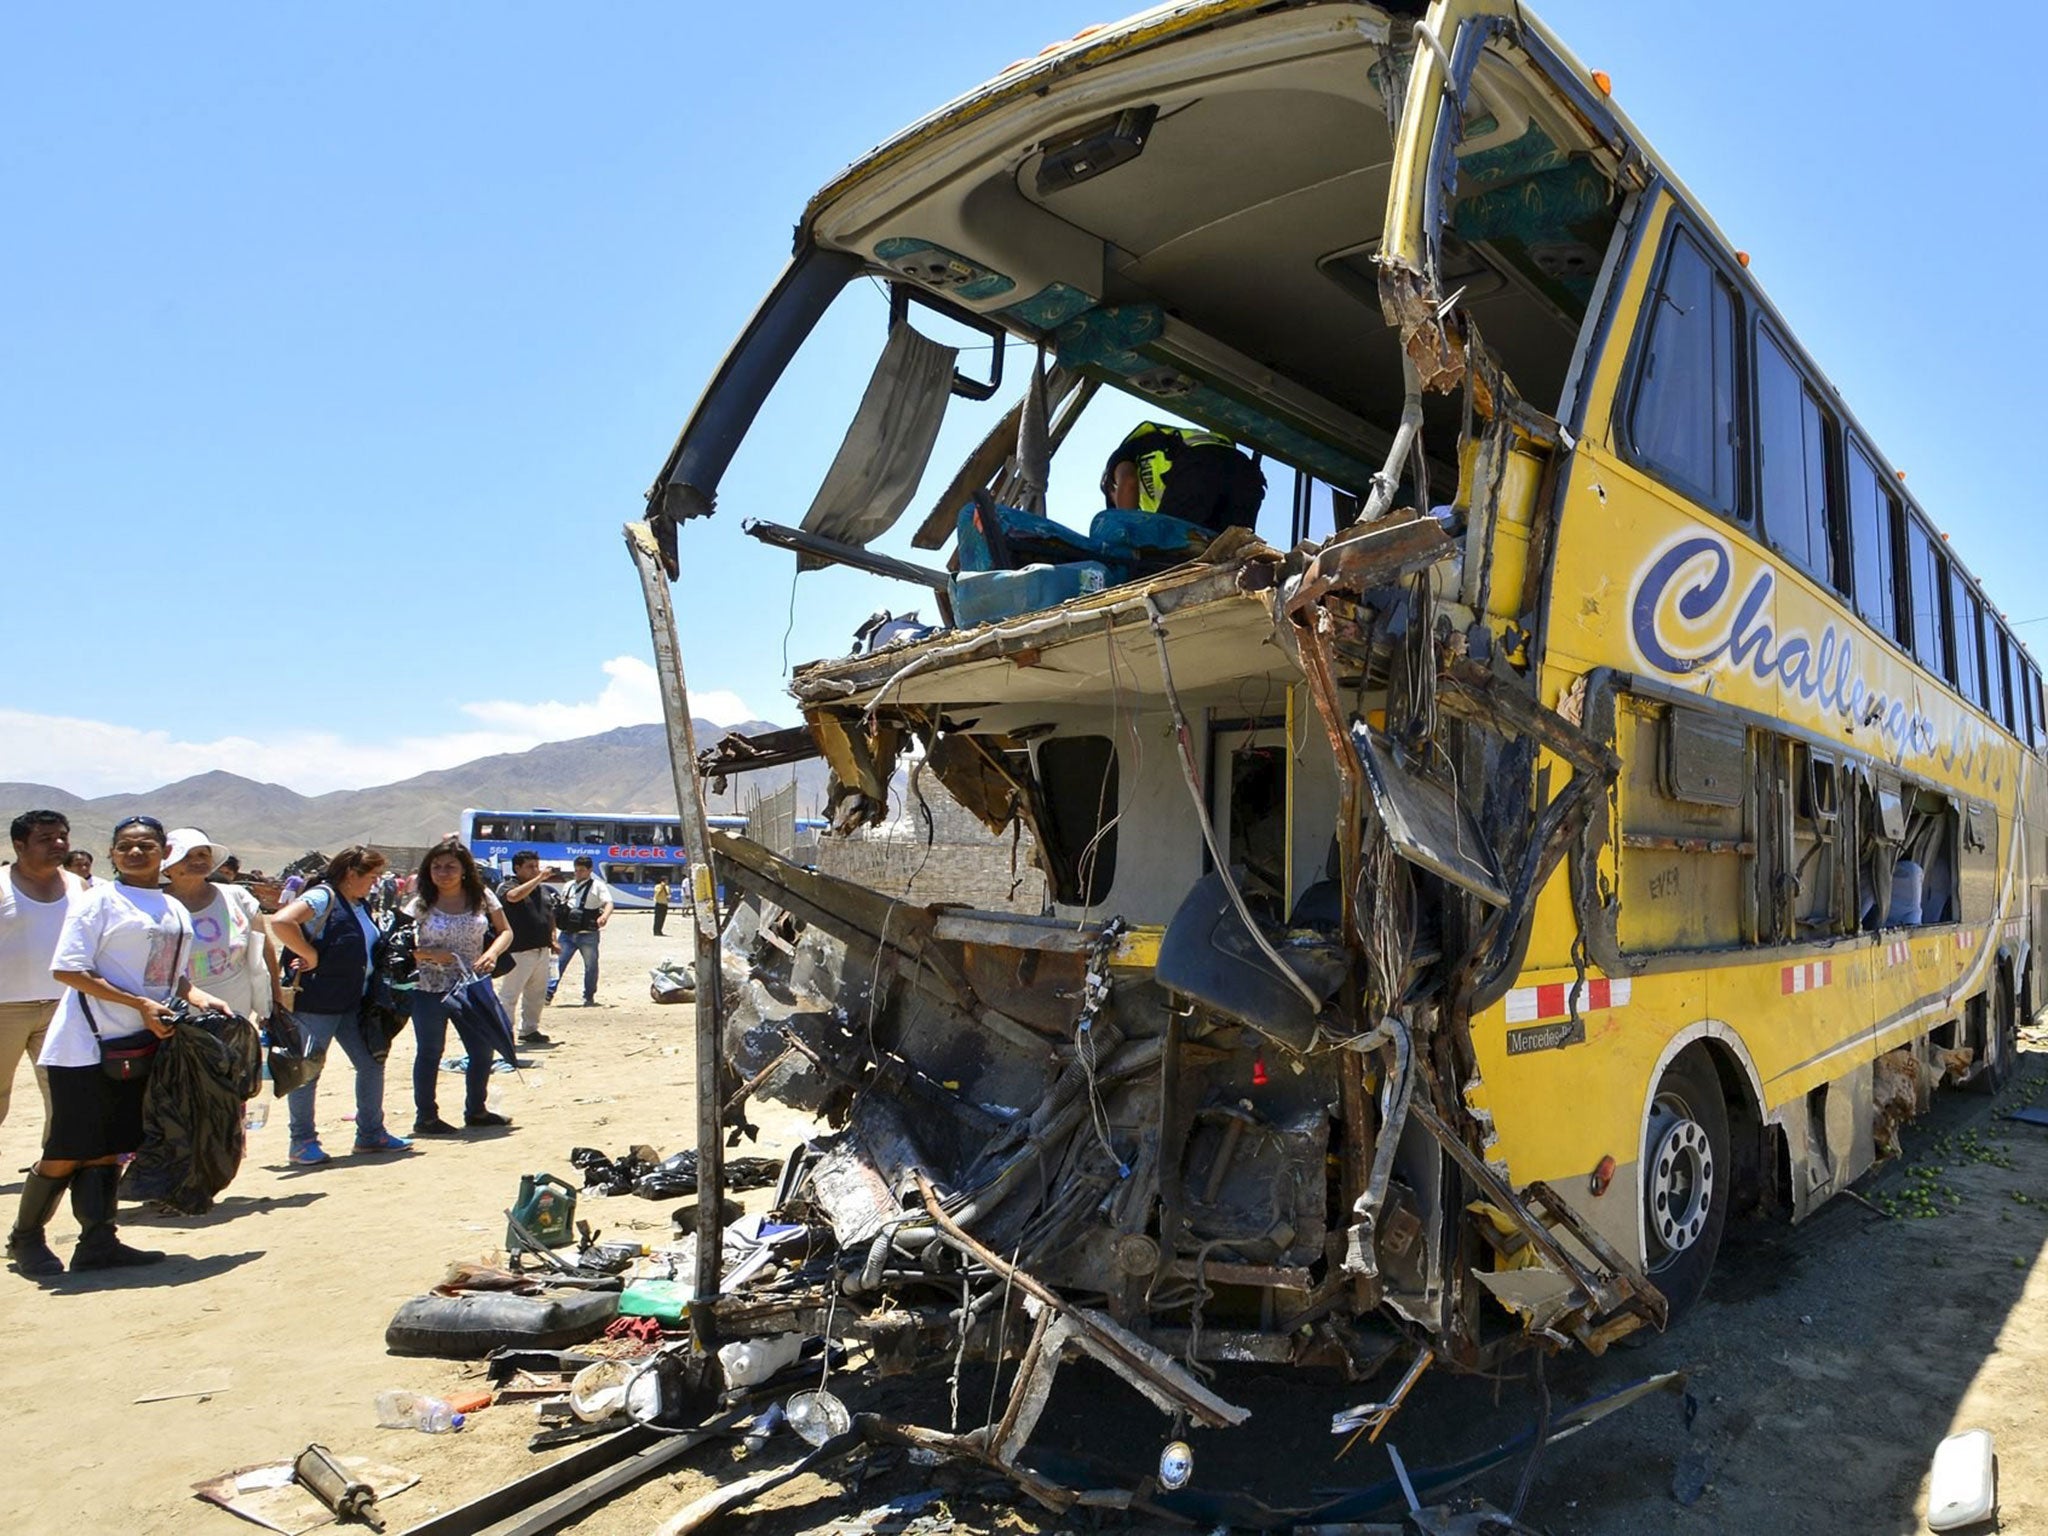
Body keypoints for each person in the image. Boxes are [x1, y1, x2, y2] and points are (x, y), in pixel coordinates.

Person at [7, 816, 230, 1276]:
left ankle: (98, 1241)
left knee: (111, 1146)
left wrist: (195, 994)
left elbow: (168, 971)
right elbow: (68, 970)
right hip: (85, 1046)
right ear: (111, 854)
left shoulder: (171, 908)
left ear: (163, 852)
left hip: (137, 1044)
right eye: (125, 846)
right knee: (68, 1147)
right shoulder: (99, 902)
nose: (135, 853)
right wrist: (140, 1003)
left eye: (145, 845)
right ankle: (25, 1238)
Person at [270, 846, 409, 1165]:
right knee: (308, 1070)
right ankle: (302, 1141)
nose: (375, 883)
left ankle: (371, 1133)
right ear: (351, 874)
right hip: (318, 1002)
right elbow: (281, 922)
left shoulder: (358, 903)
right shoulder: (324, 897)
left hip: (352, 1002)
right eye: (371, 877)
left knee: (371, 1062)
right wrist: (310, 954)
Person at [406, 840, 514, 1135]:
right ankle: (426, 1117)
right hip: (429, 987)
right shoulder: (419, 904)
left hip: (471, 986)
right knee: (430, 1051)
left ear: (464, 870)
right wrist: (429, 955)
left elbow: (505, 931)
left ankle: (476, 1110)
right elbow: (399, 947)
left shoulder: (482, 897)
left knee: (481, 1050)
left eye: (450, 866)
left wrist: (492, 953)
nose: (443, 873)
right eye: (436, 867)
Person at [0, 810, 85, 1139]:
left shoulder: (78, 887)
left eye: (63, 836)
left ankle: (52, 1174)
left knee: (64, 1097)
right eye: (46, 839)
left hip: (63, 1007)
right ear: (20, 845)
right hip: (5, 1008)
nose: (59, 843)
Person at [164, 830, 281, 1024]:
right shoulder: (157, 906)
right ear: (166, 868)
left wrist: (275, 999)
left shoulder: (237, 897)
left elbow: (265, 950)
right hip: (179, 1016)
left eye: (203, 854)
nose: (197, 860)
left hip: (236, 1014)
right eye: (186, 855)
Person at [1100, 421, 1265, 533]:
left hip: (1198, 464)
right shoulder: (1152, 504)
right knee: (1233, 553)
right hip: (1245, 473)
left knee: (1164, 549)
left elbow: (1128, 482)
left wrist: (1125, 533)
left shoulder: (1124, 456)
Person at [493, 850, 557, 1047]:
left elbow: (549, 914)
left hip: (541, 949)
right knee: (510, 994)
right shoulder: (508, 886)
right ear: (517, 868)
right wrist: (538, 878)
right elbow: (513, 897)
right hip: (519, 950)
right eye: (530, 867)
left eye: (537, 866)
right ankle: (503, 1032)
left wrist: (553, 938)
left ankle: (530, 1029)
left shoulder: (542, 890)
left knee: (536, 994)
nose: (535, 870)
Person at [547, 855, 613, 1007]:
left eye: (582, 870)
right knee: (558, 965)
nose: (578, 873)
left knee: (591, 967)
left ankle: (588, 996)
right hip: (568, 932)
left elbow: (609, 902)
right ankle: (548, 994)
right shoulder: (569, 885)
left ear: (590, 870)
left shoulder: (598, 886)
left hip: (588, 934)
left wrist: (604, 916)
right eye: (576, 870)